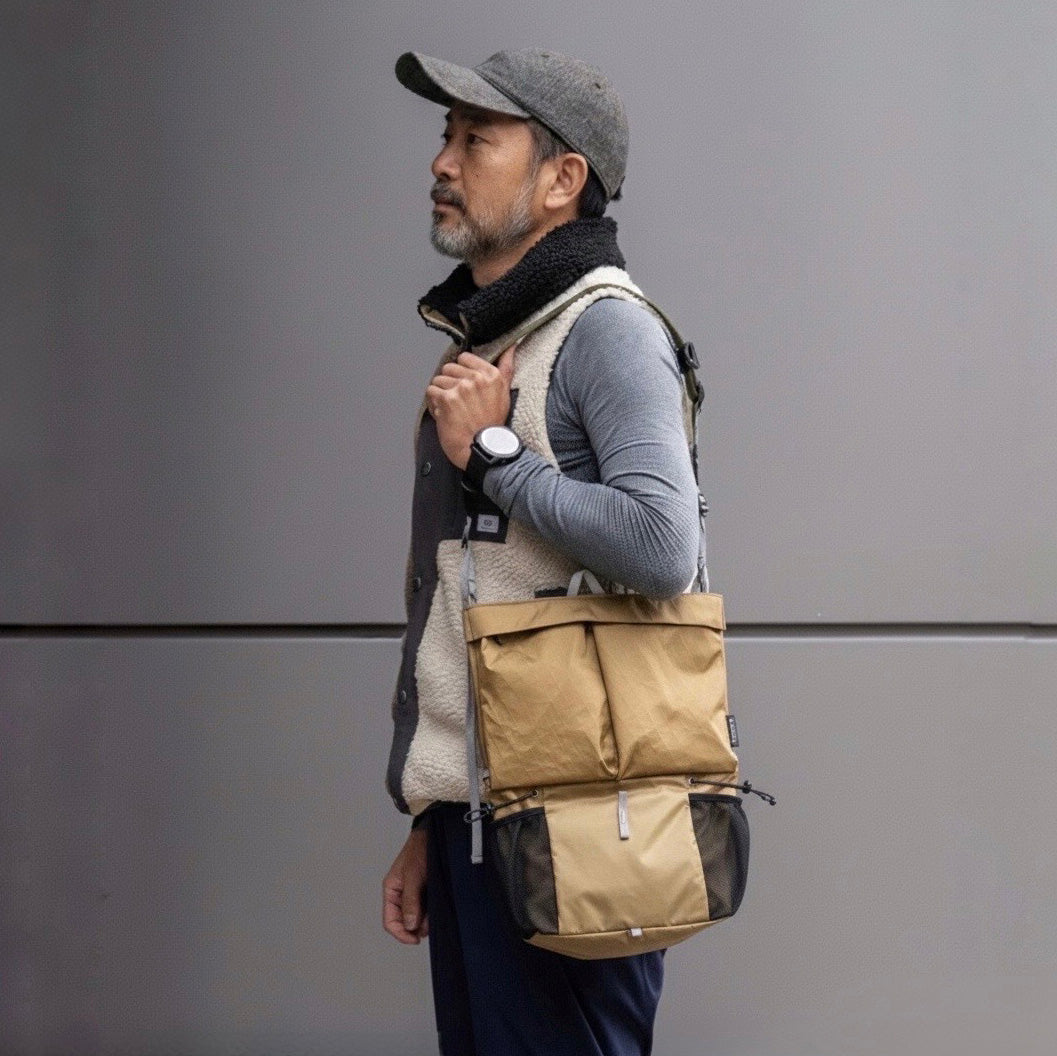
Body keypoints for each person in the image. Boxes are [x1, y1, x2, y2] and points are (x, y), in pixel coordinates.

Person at [382, 47, 701, 1055]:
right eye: (446, 136)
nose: (443, 162)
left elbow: (662, 547)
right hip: (485, 822)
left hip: (577, 827)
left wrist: (495, 455)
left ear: (563, 179)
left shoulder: (605, 331)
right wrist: (435, 815)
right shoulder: (492, 337)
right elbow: (477, 591)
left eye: (478, 140)